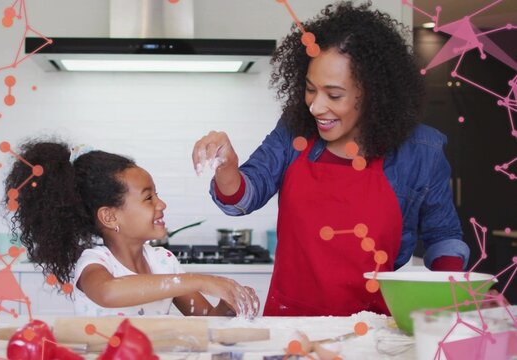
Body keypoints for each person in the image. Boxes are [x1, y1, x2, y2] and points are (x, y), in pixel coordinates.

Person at [191, 1, 470, 316]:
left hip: (373, 332)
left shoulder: (421, 150)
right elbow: (243, 198)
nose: (316, 107)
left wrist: (450, 299)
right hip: (292, 326)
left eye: (334, 95)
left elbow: (442, 236)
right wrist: (226, 167)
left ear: (373, 93)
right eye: (311, 90)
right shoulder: (294, 132)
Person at [4, 139, 259, 317]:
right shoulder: (95, 264)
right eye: (149, 198)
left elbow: (207, 320)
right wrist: (203, 280)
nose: (161, 204)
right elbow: (108, 292)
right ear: (109, 216)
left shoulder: (164, 262)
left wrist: (231, 303)